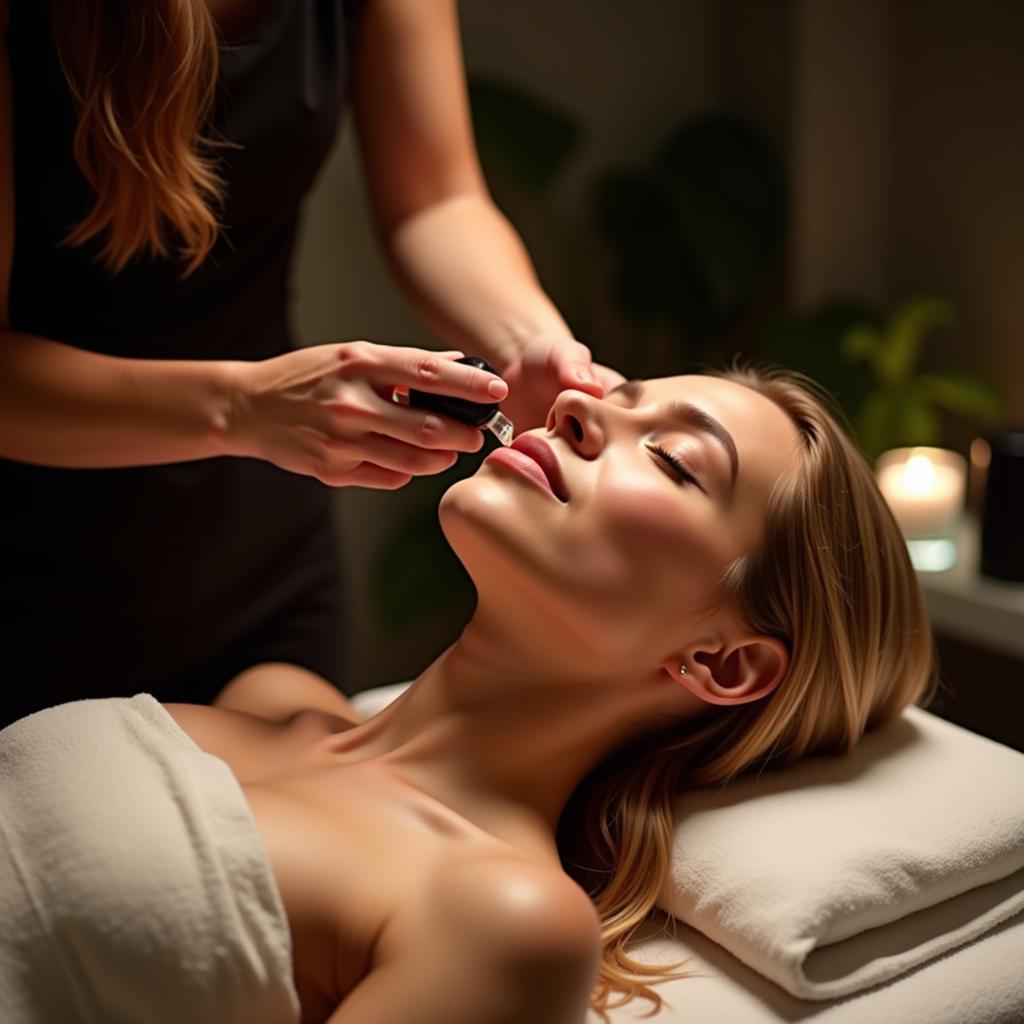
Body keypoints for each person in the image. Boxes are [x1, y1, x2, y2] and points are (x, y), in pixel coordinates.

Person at [0, 365, 938, 1024]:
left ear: (721, 663)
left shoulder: (502, 918)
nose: (575, 406)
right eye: (612, 397)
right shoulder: (274, 695)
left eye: (676, 461)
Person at [0, 0, 624, 725]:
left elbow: (437, 201)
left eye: (675, 455)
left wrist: (527, 343)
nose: (593, 418)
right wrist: (242, 406)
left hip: (263, 550)